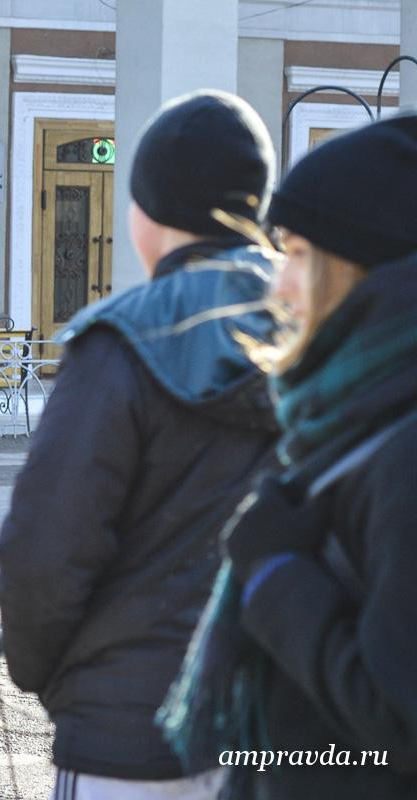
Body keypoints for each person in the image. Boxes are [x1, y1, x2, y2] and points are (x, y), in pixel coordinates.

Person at [0, 90, 280, 798]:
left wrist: (48, 676)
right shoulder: (328, 334)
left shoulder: (116, 343)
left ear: (147, 214)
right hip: (285, 728)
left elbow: (44, 552)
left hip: (126, 733)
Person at [161, 114, 417, 798]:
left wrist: (275, 574)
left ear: (365, 274)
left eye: (298, 255)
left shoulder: (402, 454)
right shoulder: (353, 413)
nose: (278, 287)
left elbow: (402, 720)